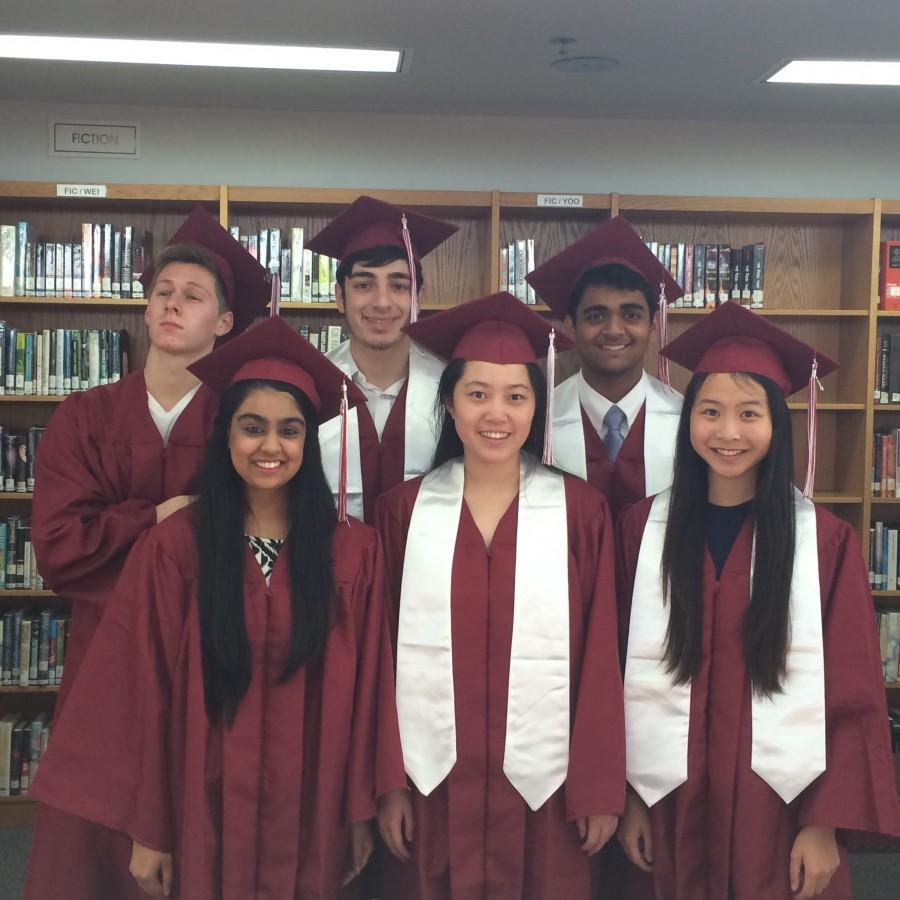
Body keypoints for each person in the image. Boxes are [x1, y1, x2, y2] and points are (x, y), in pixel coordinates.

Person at [30, 316, 407, 900]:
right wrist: (149, 829)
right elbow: (140, 692)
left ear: (309, 443)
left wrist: (358, 809)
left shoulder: (353, 551)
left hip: (311, 806)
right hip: (197, 807)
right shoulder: (174, 548)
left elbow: (370, 697)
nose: (270, 447)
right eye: (251, 427)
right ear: (225, 437)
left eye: (289, 430)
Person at [23, 205, 272, 900]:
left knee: (201, 815)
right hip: (106, 649)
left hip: (213, 651)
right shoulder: (85, 416)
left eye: (193, 297)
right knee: (92, 837)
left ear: (224, 323)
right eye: (163, 292)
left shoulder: (245, 422)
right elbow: (59, 549)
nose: (172, 305)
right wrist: (157, 520)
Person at [615, 302, 900, 900]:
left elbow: (852, 693)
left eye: (750, 414)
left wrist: (824, 823)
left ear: (777, 425)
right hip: (672, 796)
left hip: (781, 802)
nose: (728, 433)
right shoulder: (643, 531)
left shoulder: (823, 542)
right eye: (710, 412)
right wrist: (631, 798)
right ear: (688, 421)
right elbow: (613, 673)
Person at [374, 292, 625, 900]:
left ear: (536, 408)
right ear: (450, 405)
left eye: (517, 396)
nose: (497, 413)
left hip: (548, 792)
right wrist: (386, 786)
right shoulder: (402, 512)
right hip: (431, 789)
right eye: (477, 394)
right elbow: (375, 661)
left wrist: (597, 788)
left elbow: (602, 659)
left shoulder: (581, 513)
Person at [307, 195, 457, 522]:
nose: (382, 302)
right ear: (339, 297)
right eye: (364, 284)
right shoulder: (309, 388)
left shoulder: (453, 390)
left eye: (399, 285)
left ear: (419, 297)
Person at [526, 215, 683, 515]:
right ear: (570, 327)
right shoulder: (539, 420)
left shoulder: (685, 420)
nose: (613, 330)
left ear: (652, 327)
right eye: (596, 316)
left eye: (631, 315)